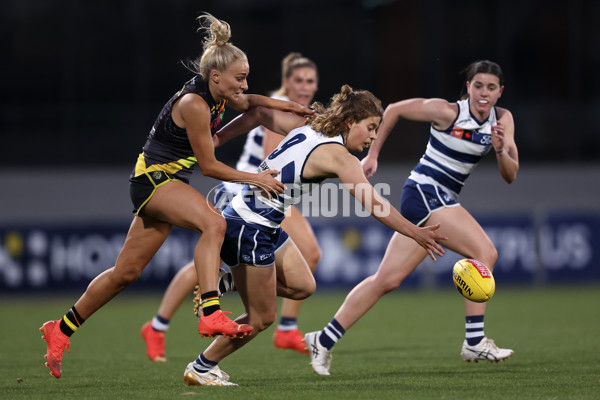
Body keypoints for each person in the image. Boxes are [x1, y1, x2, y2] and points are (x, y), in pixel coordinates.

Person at [38, 13, 313, 379]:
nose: (243, 84)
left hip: (163, 181)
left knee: (126, 272)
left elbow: (250, 104)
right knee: (214, 223)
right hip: (154, 181)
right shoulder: (195, 104)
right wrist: (256, 178)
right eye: (240, 77)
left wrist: (287, 106)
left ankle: (60, 329)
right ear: (216, 76)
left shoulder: (217, 91)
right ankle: (211, 310)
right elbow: (210, 167)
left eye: (245, 77)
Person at [182, 84, 447, 386]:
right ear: (350, 122)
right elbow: (375, 205)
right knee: (262, 317)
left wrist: (217, 139)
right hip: (250, 226)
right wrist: (416, 233)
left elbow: (259, 113)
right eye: (371, 127)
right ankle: (202, 367)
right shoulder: (340, 157)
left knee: (303, 285)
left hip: (260, 223)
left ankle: (225, 282)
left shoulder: (309, 123)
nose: (374, 136)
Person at [304, 60, 519, 376]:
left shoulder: (503, 120)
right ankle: (474, 341)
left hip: (439, 198)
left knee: (386, 280)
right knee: (485, 253)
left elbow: (510, 175)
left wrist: (501, 151)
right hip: (424, 192)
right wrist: (373, 154)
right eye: (477, 85)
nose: (483, 93)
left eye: (490, 87)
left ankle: (322, 339)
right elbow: (394, 109)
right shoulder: (448, 112)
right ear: (468, 87)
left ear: (500, 92)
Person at [140, 52, 321, 362]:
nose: (305, 87)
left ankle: (277, 320)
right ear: (287, 82)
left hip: (265, 191)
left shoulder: (287, 108)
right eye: (299, 80)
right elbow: (274, 157)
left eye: (311, 81)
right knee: (214, 257)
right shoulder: (274, 104)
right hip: (250, 188)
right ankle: (159, 326)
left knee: (227, 260)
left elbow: (249, 110)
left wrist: (220, 138)